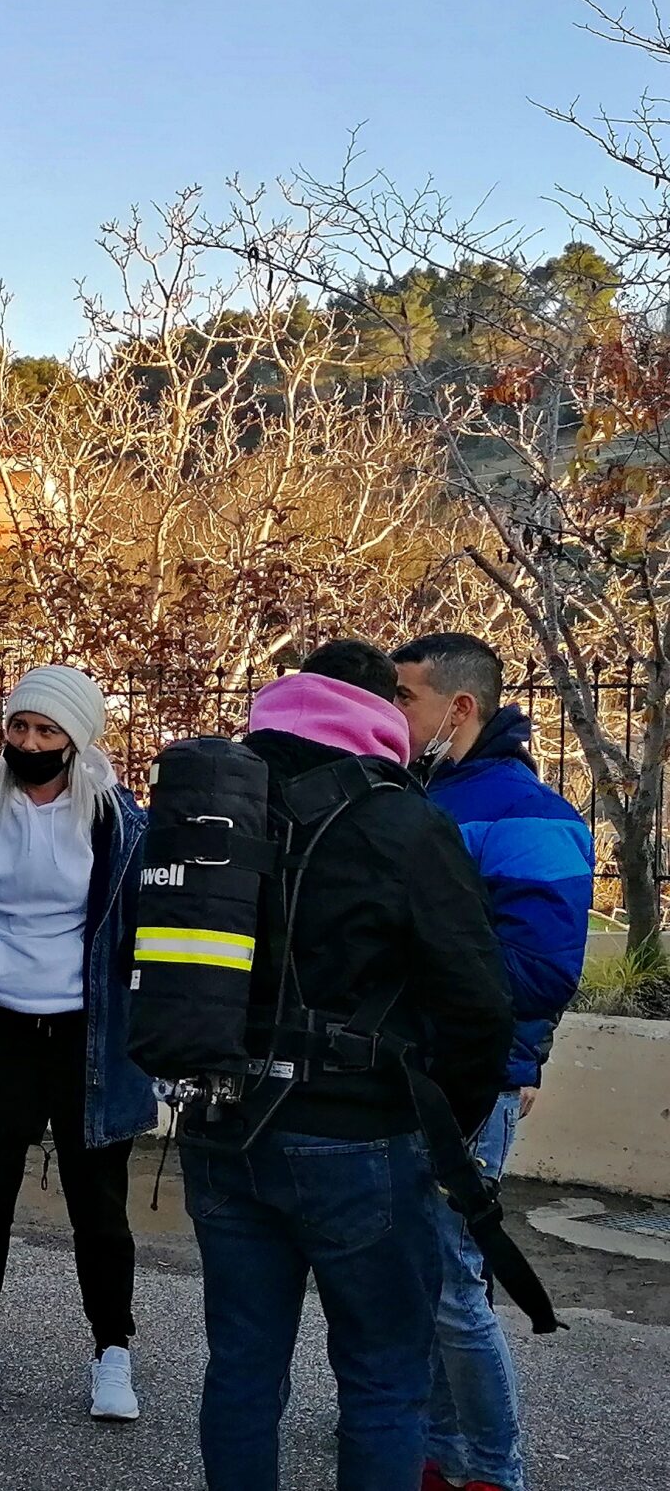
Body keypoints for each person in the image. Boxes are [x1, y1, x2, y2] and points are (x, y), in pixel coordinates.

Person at [180, 639, 513, 1491]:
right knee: (382, 1378)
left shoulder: (216, 805)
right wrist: (454, 1125)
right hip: (362, 1134)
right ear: (374, 711)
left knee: (244, 1368)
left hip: (221, 1122)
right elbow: (478, 1001)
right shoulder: (403, 820)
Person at [0, 665, 154, 1422]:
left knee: (100, 1209)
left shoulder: (121, 825)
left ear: (77, 740)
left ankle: (112, 1352)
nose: (29, 741)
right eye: (19, 726)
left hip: (91, 1035)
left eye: (47, 731)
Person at [392, 633, 595, 1491]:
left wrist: (407, 964)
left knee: (450, 1285)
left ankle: (493, 1470)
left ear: (459, 709)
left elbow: (543, 969)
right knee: (421, 1282)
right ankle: (439, 1454)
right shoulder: (414, 795)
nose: (389, 712)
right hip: (405, 1071)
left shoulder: (531, 813)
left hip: (467, 1080)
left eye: (404, 697)